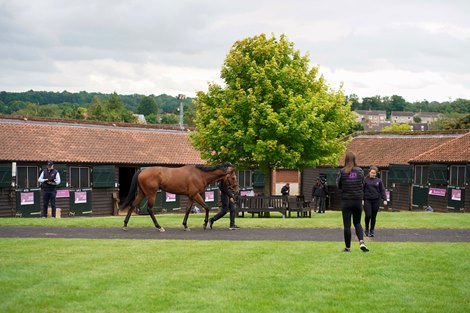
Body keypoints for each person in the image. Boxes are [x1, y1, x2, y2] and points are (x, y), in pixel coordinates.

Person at [336, 152, 369, 252]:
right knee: (357, 223)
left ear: (345, 159)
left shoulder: (342, 171)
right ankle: (362, 242)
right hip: (357, 200)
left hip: (346, 201)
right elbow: (362, 183)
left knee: (347, 225)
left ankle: (347, 247)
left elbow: (338, 185)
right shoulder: (360, 171)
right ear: (355, 159)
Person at [209, 163, 239, 230]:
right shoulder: (223, 176)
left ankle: (232, 225)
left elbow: (230, 186)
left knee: (233, 208)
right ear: (226, 168)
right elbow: (224, 189)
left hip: (228, 194)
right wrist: (231, 196)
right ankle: (212, 219)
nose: (230, 168)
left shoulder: (229, 175)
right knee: (225, 211)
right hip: (224, 194)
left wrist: (233, 191)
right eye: (229, 167)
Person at [363, 166, 387, 237]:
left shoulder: (378, 181)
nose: (373, 174)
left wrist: (384, 199)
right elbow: (362, 190)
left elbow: (382, 190)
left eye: (374, 173)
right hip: (367, 200)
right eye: (371, 173)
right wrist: (362, 199)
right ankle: (367, 228)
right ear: (369, 172)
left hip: (376, 200)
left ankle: (372, 230)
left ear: (376, 174)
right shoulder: (365, 180)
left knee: (373, 216)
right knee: (368, 215)